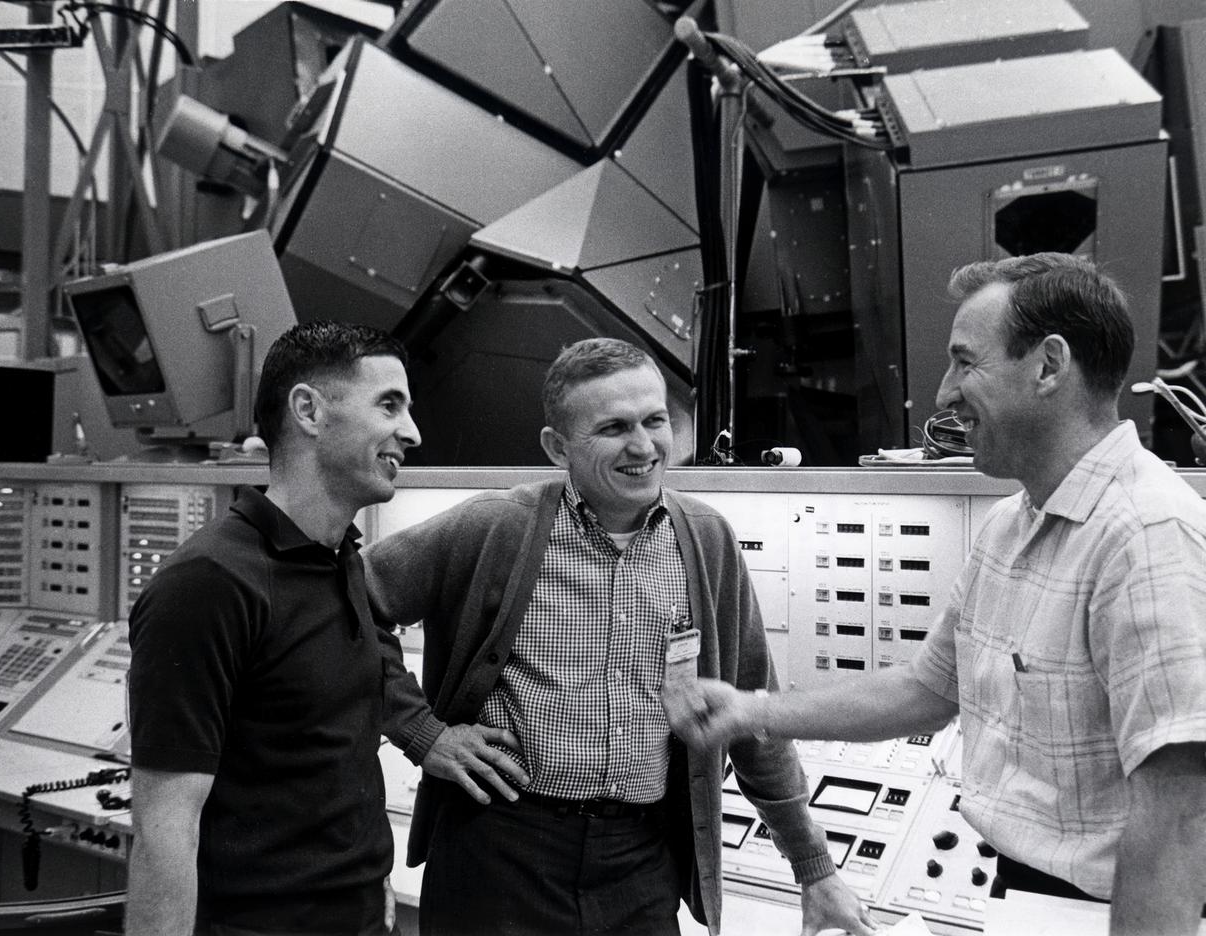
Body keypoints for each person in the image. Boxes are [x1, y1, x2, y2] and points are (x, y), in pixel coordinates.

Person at [663, 254, 1206, 934]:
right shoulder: (1013, 524)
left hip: (1105, 909)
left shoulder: (1147, 537)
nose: (945, 393)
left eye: (964, 363)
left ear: (1048, 366)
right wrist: (752, 711)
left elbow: (1179, 818)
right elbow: (925, 691)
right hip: (1021, 894)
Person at [362, 337, 872, 936]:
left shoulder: (706, 541)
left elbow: (755, 714)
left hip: (641, 863)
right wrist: (425, 734)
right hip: (499, 848)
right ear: (558, 448)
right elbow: (351, 609)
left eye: (656, 421)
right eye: (613, 428)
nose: (643, 446)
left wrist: (814, 867)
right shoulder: (494, 527)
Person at [126, 322, 526, 936]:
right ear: (308, 410)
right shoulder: (209, 583)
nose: (412, 433)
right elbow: (163, 831)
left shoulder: (340, 563)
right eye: (389, 405)